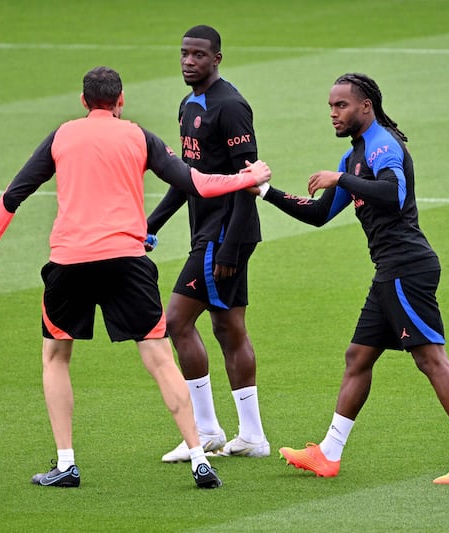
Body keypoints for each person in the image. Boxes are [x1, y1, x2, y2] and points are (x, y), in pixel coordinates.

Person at [0, 66, 271, 489]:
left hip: (69, 263)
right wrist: (246, 178)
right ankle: (200, 458)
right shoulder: (139, 136)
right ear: (121, 100)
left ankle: (67, 463)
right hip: (127, 261)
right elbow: (195, 182)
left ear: (83, 101)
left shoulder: (61, 136)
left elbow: (13, 194)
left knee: (56, 358)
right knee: (161, 358)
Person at [255, 72, 449, 482]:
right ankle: (328, 454)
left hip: (407, 268)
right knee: (358, 357)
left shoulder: (383, 145)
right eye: (331, 106)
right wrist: (265, 191)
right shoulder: (353, 156)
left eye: (341, 105)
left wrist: (341, 179)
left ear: (365, 106)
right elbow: (318, 214)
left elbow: (394, 194)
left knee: (430, 358)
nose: (333, 113)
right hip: (390, 271)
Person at [146, 25, 269, 462]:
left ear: (217, 58)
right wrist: (152, 224)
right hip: (209, 232)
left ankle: (206, 429)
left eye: (198, 55)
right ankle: (251, 436)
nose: (188, 61)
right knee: (228, 328)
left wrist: (231, 247)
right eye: (184, 53)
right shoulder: (188, 105)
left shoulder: (231, 107)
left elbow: (246, 182)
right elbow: (189, 179)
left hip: (224, 234)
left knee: (176, 322)